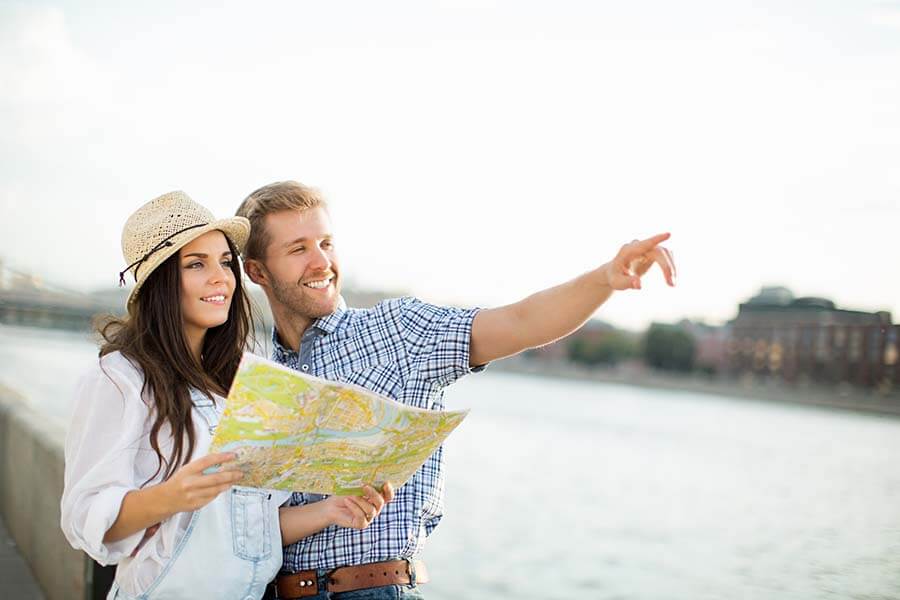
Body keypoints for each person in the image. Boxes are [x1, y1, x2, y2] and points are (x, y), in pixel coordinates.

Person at [235, 181, 677, 599]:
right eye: (298, 249)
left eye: (326, 244)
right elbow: (239, 523)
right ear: (258, 271)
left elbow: (520, 323)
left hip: (375, 590)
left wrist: (604, 278)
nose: (321, 262)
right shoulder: (254, 375)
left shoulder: (398, 332)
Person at [60, 191, 393, 600]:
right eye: (196, 264)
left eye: (224, 262)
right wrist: (170, 497)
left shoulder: (240, 381)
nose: (221, 278)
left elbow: (242, 528)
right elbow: (83, 518)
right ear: (161, 281)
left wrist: (330, 510)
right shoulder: (120, 377)